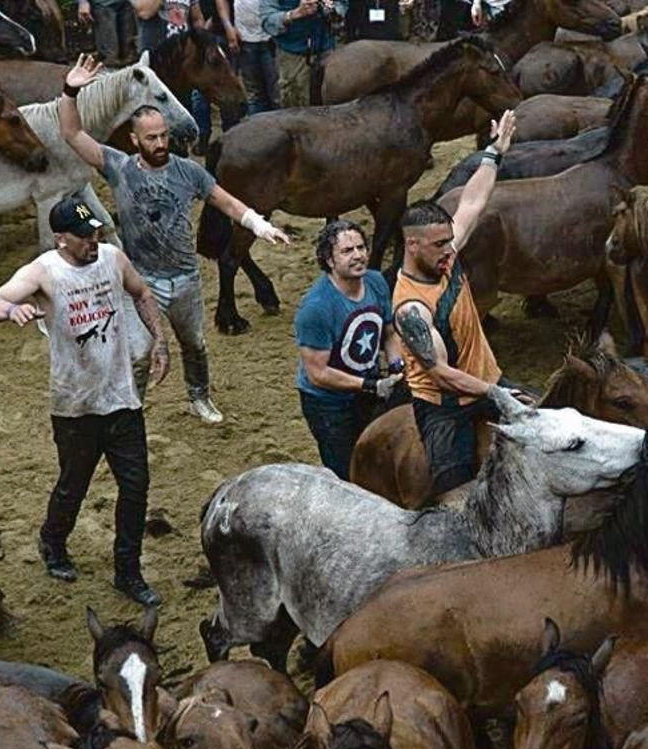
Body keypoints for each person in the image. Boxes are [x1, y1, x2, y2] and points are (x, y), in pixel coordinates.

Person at [58, 55, 290, 423]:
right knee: (138, 351)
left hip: (185, 277)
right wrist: (70, 91)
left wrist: (259, 225)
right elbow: (72, 134)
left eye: (164, 135)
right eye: (152, 138)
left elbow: (223, 200)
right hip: (141, 281)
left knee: (194, 343)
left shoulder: (188, 172)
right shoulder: (118, 167)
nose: (161, 142)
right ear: (134, 140)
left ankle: (200, 397)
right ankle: (133, 408)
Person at [0, 199, 171, 607]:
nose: (94, 241)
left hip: (121, 398)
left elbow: (141, 292)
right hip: (75, 405)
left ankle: (128, 571)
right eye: (85, 236)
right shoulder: (43, 271)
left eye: (96, 231)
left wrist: (161, 341)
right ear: (60, 239)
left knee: (136, 487)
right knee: (74, 483)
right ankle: (53, 541)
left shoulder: (113, 259)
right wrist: (13, 309)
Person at [393, 110, 529, 497]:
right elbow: (442, 374)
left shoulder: (444, 252)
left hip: (489, 381)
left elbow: (472, 201)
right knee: (456, 494)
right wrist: (494, 393)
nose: (448, 252)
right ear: (412, 245)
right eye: (438, 246)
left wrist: (494, 152)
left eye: (447, 242)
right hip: (445, 407)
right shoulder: (410, 308)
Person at [295, 219, 405, 478]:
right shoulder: (316, 308)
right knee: (347, 475)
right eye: (347, 251)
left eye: (361, 247)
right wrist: (372, 386)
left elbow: (389, 331)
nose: (357, 256)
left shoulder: (376, 282)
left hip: (368, 388)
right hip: (328, 406)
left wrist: (396, 365)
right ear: (329, 261)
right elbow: (318, 374)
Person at [262, 0, 343, 108]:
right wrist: (295, 14)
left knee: (331, 106)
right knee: (295, 110)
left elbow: (342, 4)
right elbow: (267, 21)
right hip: (293, 59)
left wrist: (333, 9)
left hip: (326, 51)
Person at [78, 0, 137, 65]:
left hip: (127, 5)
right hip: (103, 6)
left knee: (129, 55)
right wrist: (83, 2)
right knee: (110, 57)